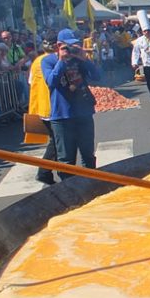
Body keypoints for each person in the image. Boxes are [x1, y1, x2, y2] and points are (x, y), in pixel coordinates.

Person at [42, 29, 102, 179]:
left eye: (75, 45)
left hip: (83, 112)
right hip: (62, 115)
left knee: (88, 155)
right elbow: (51, 82)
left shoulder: (79, 59)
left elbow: (97, 76)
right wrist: (61, 61)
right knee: (66, 160)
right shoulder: (48, 61)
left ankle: (90, 185)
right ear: (58, 45)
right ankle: (69, 191)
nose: (72, 49)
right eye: (68, 46)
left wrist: (85, 60)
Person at [25, 39, 58, 185]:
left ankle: (49, 171)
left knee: (57, 141)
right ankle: (44, 172)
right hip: (52, 106)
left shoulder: (36, 61)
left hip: (40, 106)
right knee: (57, 142)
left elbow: (31, 82)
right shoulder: (53, 61)